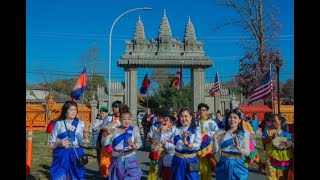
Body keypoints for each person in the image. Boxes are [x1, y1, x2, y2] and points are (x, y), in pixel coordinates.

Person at [49, 100, 89, 180]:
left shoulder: (80, 123)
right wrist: (60, 143)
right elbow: (51, 143)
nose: (74, 112)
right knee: (58, 176)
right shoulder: (59, 124)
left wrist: (85, 135)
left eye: (75, 109)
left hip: (76, 153)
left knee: (77, 176)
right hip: (61, 154)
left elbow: (83, 143)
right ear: (65, 112)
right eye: (71, 110)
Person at [101, 106, 142, 180]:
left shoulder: (134, 129)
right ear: (120, 119)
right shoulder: (114, 129)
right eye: (124, 119)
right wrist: (105, 135)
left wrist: (135, 146)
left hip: (130, 157)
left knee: (132, 176)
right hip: (116, 158)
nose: (127, 121)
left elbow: (139, 142)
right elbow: (104, 143)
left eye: (129, 119)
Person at [212, 108, 250, 180]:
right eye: (230, 117)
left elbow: (247, 152)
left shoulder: (244, 133)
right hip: (224, 163)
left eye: (235, 118)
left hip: (238, 165)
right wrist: (214, 139)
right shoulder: (222, 132)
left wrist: (238, 147)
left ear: (239, 120)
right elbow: (216, 150)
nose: (232, 120)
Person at [169, 107, 202, 180]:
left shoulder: (196, 129)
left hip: (192, 159)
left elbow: (197, 146)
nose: (183, 119)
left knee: (193, 178)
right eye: (181, 116)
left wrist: (187, 143)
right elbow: (168, 140)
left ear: (191, 117)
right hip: (178, 159)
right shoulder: (175, 128)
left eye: (186, 116)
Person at [262, 114, 293, 180]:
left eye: (275, 121)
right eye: (272, 121)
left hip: (282, 160)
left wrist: (288, 143)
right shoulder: (267, 130)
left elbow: (290, 143)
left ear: (280, 121)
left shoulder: (286, 133)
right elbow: (264, 141)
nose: (273, 123)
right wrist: (271, 138)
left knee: (282, 177)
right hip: (270, 158)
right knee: (271, 177)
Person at [99, 101, 122, 178]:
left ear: (120, 108)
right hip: (107, 143)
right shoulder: (108, 117)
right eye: (113, 107)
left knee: (116, 165)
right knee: (103, 164)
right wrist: (106, 130)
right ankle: (106, 176)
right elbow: (102, 127)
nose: (114, 108)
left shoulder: (123, 118)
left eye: (116, 107)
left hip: (117, 145)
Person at [196, 103, 219, 179]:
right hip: (196, 150)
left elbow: (217, 134)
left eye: (203, 110)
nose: (201, 111)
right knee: (196, 170)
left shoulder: (212, 123)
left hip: (207, 150)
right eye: (200, 110)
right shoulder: (195, 122)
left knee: (206, 170)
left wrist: (207, 137)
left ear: (207, 112)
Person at [147, 108, 168, 180]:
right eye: (157, 116)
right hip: (156, 149)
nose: (158, 117)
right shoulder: (154, 126)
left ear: (165, 116)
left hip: (166, 149)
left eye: (160, 116)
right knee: (154, 167)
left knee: (165, 168)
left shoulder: (169, 125)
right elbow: (150, 135)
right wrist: (152, 140)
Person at [160, 115, 177, 180]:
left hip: (173, 158)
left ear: (171, 123)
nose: (163, 122)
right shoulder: (163, 130)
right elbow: (159, 141)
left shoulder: (175, 131)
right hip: (164, 158)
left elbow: (177, 146)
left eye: (166, 121)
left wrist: (166, 144)